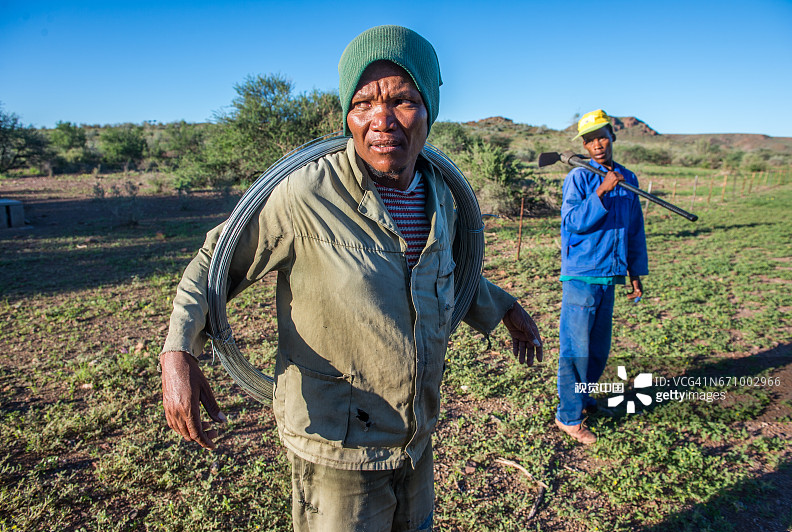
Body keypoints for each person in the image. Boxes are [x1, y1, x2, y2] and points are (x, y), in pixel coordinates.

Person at [160, 25, 543, 531]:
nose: (382, 119)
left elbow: (439, 272)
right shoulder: (304, 193)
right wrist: (177, 351)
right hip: (336, 445)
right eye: (364, 103)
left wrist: (504, 307)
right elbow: (214, 263)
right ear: (347, 115)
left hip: (415, 436)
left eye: (403, 100)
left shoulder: (441, 194)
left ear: (429, 109)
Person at [556, 109, 648, 445]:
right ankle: (568, 416)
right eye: (589, 139)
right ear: (583, 143)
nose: (597, 144)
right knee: (575, 349)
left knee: (597, 350)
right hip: (581, 276)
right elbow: (573, 222)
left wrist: (635, 271)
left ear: (612, 137)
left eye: (602, 136)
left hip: (610, 275)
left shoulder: (628, 178)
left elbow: (634, 229)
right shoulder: (579, 178)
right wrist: (601, 193)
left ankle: (584, 399)